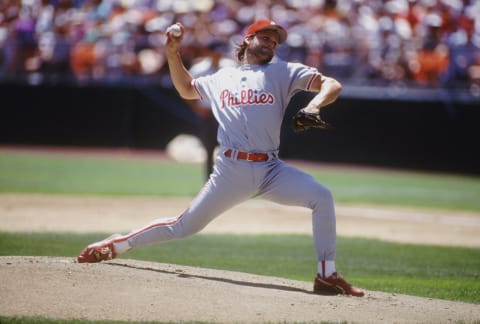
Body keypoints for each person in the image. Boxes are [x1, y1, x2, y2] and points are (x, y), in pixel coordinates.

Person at [77, 19, 364, 297]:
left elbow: (332, 84)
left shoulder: (284, 71)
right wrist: (172, 53)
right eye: (265, 37)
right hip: (231, 170)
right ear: (248, 39)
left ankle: (326, 275)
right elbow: (186, 89)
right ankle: (117, 245)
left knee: (322, 197)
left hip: (271, 169)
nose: (270, 44)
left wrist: (313, 106)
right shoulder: (221, 78)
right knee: (182, 227)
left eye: (275, 41)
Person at [185, 41, 236, 182]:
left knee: (229, 149)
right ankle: (208, 183)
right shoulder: (199, 69)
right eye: (215, 51)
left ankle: (227, 182)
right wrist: (196, 108)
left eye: (220, 51)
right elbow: (186, 90)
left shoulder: (230, 67)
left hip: (226, 113)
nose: (218, 55)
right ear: (208, 52)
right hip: (207, 114)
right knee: (209, 148)